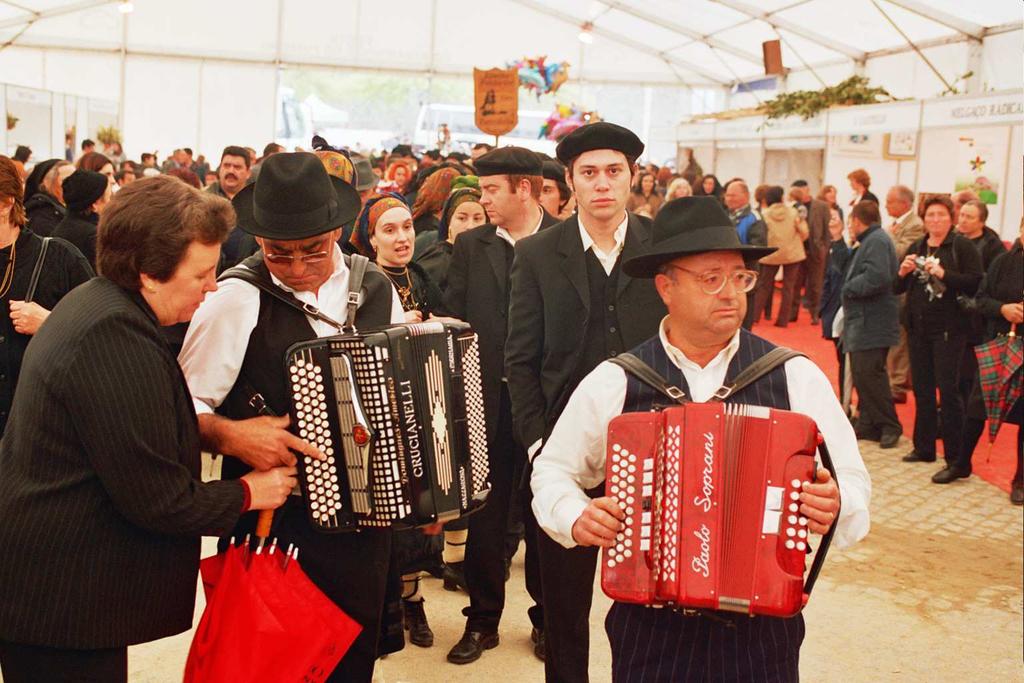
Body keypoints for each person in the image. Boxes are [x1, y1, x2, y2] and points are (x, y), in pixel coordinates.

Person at [531, 196, 870, 682]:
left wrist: (837, 503)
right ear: (666, 287)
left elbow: (853, 478)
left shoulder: (794, 376)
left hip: (763, 632)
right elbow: (553, 471)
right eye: (711, 278)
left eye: (740, 277)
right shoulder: (618, 380)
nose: (731, 292)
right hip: (650, 629)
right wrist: (576, 515)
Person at [0, 175, 295, 683]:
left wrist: (224, 434)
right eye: (202, 273)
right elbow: (159, 499)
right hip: (57, 601)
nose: (213, 287)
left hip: (51, 591)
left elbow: (135, 423)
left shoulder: (103, 302)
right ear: (150, 273)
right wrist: (249, 492)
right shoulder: (113, 335)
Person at [179, 153, 406, 682]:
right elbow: (179, 407)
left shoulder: (376, 289)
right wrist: (233, 437)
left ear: (338, 230)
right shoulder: (234, 298)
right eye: (280, 255)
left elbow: (403, 391)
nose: (299, 267)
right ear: (259, 242)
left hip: (366, 528)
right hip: (277, 520)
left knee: (350, 664)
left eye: (313, 251)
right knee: (268, 668)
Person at [506, 123, 667, 682]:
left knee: (653, 600)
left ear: (632, 178)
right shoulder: (536, 254)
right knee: (564, 612)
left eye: (614, 171)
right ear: (570, 181)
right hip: (565, 455)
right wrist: (537, 446)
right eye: (589, 173)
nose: (603, 184)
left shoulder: (661, 247)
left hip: (653, 454)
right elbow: (520, 360)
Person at [438, 147, 560, 666]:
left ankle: (546, 623)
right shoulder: (471, 246)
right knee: (485, 516)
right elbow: (453, 316)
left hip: (547, 405)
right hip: (484, 400)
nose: (481, 199)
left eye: (490, 190)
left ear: (524, 189)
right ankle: (482, 620)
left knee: (544, 516)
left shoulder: (564, 243)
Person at [0, 156, 93, 435]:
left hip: (39, 434)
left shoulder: (59, 259)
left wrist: (50, 324)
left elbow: (104, 337)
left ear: (6, 204)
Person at [895, 196, 983, 483]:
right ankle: (924, 447)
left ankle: (956, 459)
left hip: (949, 329)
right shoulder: (918, 246)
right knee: (921, 389)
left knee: (948, 392)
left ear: (951, 217)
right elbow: (897, 286)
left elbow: (974, 282)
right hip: (918, 328)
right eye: (930, 215)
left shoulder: (960, 246)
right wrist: (903, 271)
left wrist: (944, 273)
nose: (935, 220)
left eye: (940, 215)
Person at [967, 219, 1023, 503]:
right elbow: (981, 300)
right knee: (978, 406)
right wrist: (1004, 309)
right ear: (1021, 229)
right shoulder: (1002, 262)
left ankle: (1021, 481)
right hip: (999, 345)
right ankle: (960, 462)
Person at [842, 201, 902, 449]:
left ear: (857, 220)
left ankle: (890, 425)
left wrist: (849, 288)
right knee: (863, 374)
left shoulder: (876, 240)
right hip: (866, 321)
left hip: (872, 321)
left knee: (870, 375)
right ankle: (869, 424)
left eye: (850, 222)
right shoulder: (872, 239)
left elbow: (877, 277)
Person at [883, 185, 925, 404]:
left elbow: (901, 252)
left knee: (900, 338)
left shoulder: (915, 226)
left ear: (904, 204)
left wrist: (885, 238)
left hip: (905, 290)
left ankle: (897, 383)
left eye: (890, 201)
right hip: (895, 285)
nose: (886, 205)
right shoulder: (899, 224)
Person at [415, 176, 487, 292]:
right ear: (449, 222)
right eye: (462, 218)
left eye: (477, 219)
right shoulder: (437, 261)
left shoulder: (491, 259)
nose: (470, 226)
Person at [752, 185, 807, 328]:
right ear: (782, 197)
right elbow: (804, 232)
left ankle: (754, 316)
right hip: (792, 253)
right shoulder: (793, 212)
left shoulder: (765, 214)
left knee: (764, 286)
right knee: (789, 288)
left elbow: (763, 234)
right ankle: (783, 320)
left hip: (772, 253)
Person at [723, 179, 766, 330]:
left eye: (733, 196)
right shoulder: (724, 215)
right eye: (727, 195)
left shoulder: (754, 217)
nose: (729, 199)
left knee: (744, 320)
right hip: (724, 275)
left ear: (746, 196)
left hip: (746, 274)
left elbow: (759, 246)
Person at [52, 169, 113, 269]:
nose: (111, 203)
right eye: (109, 198)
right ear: (95, 204)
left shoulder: (61, 228)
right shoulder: (93, 236)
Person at [790, 180, 831, 324]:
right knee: (795, 283)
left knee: (816, 285)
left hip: (816, 250)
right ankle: (792, 313)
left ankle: (815, 314)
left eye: (801, 190)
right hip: (797, 250)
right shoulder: (793, 206)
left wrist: (824, 248)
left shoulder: (822, 206)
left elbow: (827, 229)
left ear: (807, 189)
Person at [23, 159, 73, 237]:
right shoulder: (41, 215)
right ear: (47, 182)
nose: (74, 184)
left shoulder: (68, 207)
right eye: (66, 180)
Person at [956, 199, 1006, 270]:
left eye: (969, 217)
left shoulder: (993, 246)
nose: (963, 220)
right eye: (961, 215)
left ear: (982, 222)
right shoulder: (952, 237)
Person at [539, 156, 574, 221]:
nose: (538, 197)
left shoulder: (572, 230)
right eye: (534, 190)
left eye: (546, 191)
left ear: (563, 199)